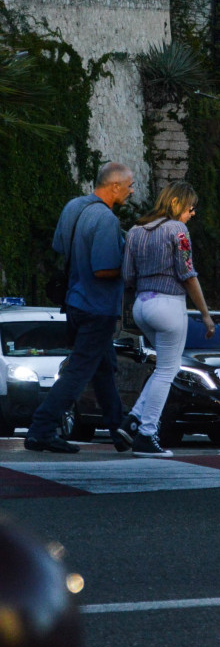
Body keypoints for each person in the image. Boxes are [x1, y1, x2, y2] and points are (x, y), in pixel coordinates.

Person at [24, 163, 134, 453]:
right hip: (98, 308)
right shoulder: (106, 220)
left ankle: (118, 429)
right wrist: (132, 270)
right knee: (79, 372)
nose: (131, 191)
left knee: (103, 368)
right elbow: (103, 270)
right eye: (129, 186)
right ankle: (41, 429)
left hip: (74, 302)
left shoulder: (73, 207)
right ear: (114, 187)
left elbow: (62, 247)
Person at [118, 181, 215, 458]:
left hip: (141, 305)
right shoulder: (178, 230)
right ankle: (147, 435)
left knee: (164, 368)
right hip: (168, 305)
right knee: (167, 371)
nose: (192, 213)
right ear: (176, 204)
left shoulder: (135, 231)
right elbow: (188, 274)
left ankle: (133, 420)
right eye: (190, 207)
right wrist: (206, 315)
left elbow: (127, 276)